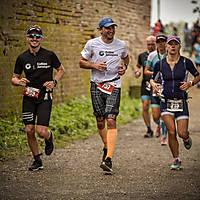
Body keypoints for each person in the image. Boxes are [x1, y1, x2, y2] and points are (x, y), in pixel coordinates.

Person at [11, 25, 65, 171]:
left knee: (41, 131)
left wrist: (54, 82)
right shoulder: (22, 57)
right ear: (27, 38)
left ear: (41, 38)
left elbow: (61, 70)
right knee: (29, 130)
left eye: (37, 36)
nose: (34, 39)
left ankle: (49, 137)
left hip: (45, 96)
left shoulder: (49, 55)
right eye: (31, 36)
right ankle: (37, 160)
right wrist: (18, 81)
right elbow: (14, 78)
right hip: (29, 96)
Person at [79, 17, 129, 172]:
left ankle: (108, 158)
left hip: (114, 83)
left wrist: (124, 67)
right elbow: (81, 62)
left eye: (113, 27)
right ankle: (107, 146)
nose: (111, 30)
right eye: (107, 28)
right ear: (100, 29)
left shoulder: (121, 44)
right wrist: (94, 65)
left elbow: (126, 58)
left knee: (111, 119)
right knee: (100, 121)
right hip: (97, 85)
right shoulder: (92, 44)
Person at [150, 36, 200, 170]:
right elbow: (151, 79)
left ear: (179, 47)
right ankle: (176, 158)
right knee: (171, 131)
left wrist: (190, 83)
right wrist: (154, 84)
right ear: (166, 47)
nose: (172, 46)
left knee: (181, 133)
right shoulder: (159, 64)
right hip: (165, 102)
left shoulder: (185, 62)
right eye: (170, 44)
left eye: (175, 44)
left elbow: (197, 75)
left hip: (181, 101)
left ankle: (186, 138)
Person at [144, 34, 168, 145]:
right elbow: (146, 71)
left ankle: (164, 136)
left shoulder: (171, 55)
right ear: (157, 44)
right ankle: (158, 124)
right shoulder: (152, 56)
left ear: (166, 43)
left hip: (167, 87)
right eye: (159, 42)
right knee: (155, 115)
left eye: (163, 42)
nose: (161, 44)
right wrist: (156, 73)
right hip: (155, 87)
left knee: (165, 113)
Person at [134, 36, 156, 137]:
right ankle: (149, 129)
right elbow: (138, 66)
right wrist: (137, 71)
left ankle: (160, 125)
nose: (150, 46)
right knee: (145, 105)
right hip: (145, 83)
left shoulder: (159, 56)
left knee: (156, 109)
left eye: (152, 44)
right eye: (148, 44)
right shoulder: (142, 55)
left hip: (157, 84)